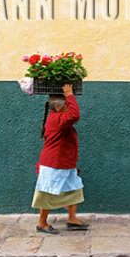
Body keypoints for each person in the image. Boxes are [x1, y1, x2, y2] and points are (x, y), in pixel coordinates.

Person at [31, 84, 89, 234]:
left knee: (74, 189)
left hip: (64, 162)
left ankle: (72, 219)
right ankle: (42, 223)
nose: (69, 108)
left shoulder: (57, 117)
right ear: (57, 106)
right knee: (48, 192)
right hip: (54, 164)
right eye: (66, 106)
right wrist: (70, 95)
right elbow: (75, 115)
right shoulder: (58, 119)